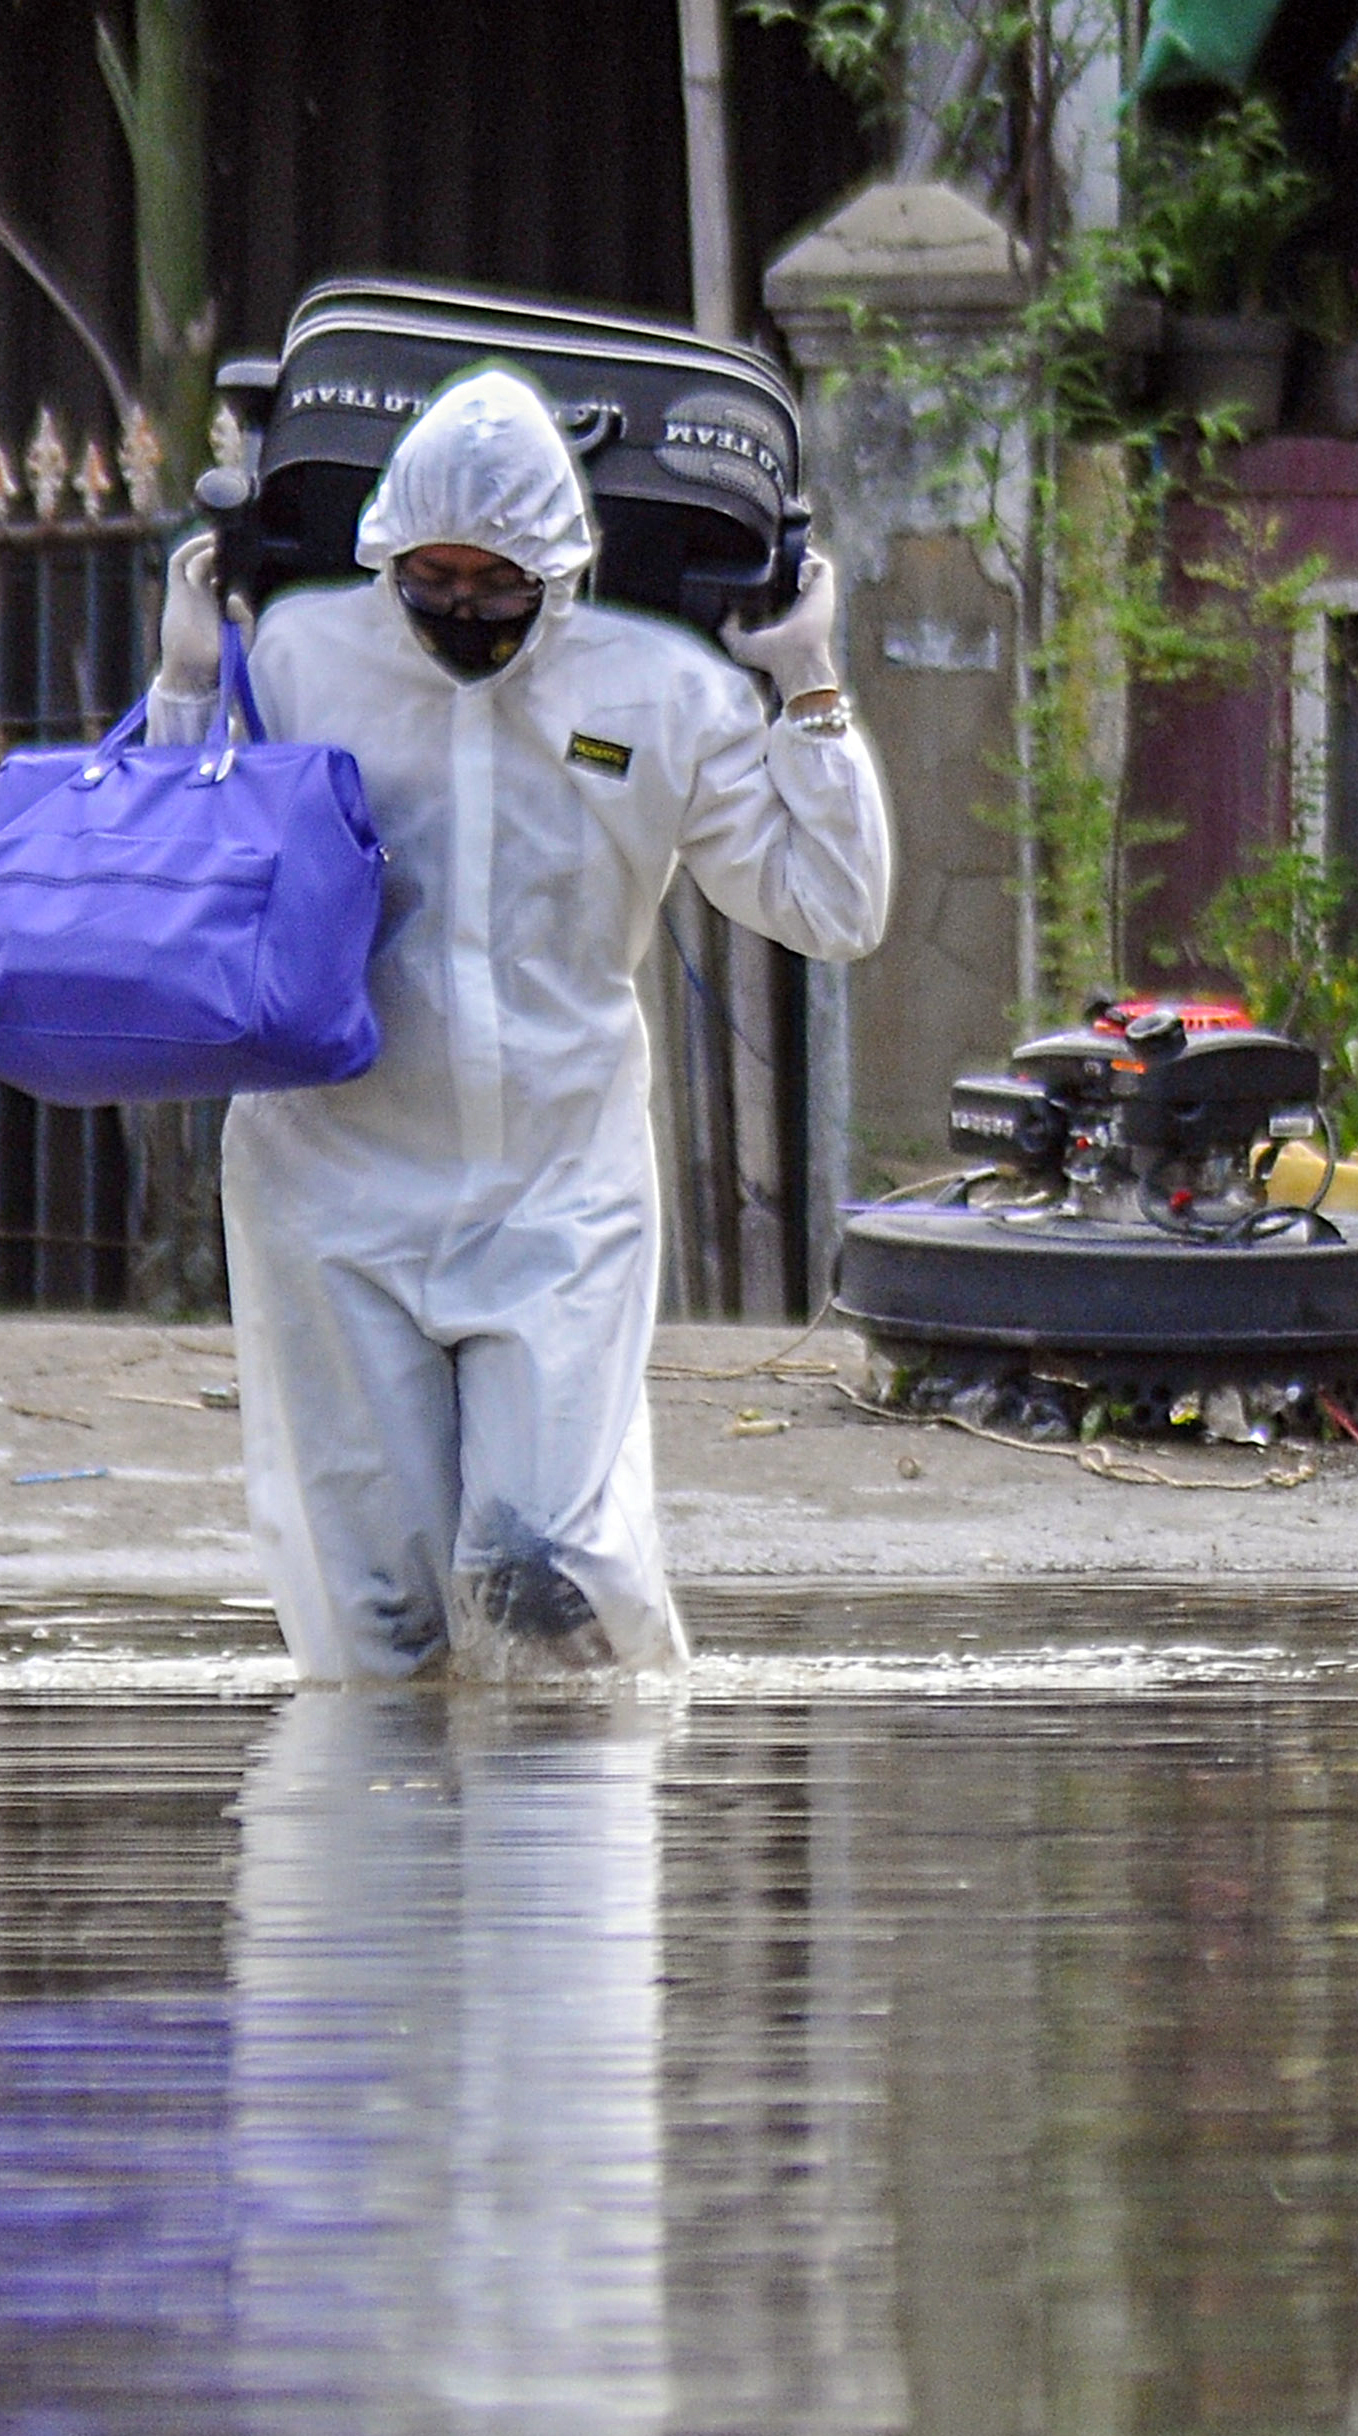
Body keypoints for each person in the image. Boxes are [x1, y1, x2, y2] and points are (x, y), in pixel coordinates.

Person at [149, 368, 892, 1680]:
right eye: (432, 579)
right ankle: (378, 1871)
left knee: (553, 1575)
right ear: (383, 555)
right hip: (330, 1189)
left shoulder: (660, 692)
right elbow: (176, 865)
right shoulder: (305, 656)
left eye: (498, 584)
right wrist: (186, 683)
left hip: (558, 1189)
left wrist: (810, 687)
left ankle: (581, 1861)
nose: (462, 610)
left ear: (560, 568)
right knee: (370, 1616)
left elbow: (831, 903)